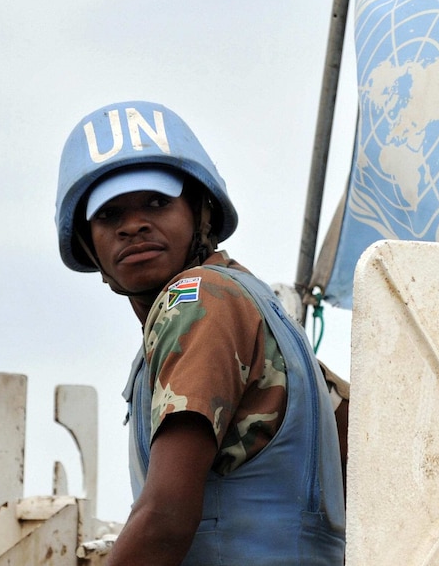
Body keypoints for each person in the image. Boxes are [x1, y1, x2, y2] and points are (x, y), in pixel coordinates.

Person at [55, 101, 346, 565]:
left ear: (200, 212)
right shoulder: (263, 312)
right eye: (110, 215)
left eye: (156, 202)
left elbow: (164, 520)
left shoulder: (196, 301)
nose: (133, 225)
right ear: (89, 241)